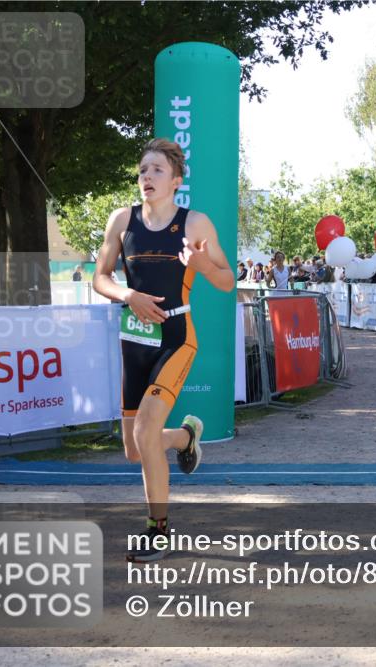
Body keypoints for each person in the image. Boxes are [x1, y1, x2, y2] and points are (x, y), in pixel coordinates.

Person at [93, 138, 234, 562]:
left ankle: (158, 531)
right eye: (142, 170)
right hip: (134, 338)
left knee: (144, 432)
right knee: (136, 447)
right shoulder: (121, 220)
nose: (146, 177)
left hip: (176, 337)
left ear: (175, 180)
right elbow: (100, 278)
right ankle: (186, 436)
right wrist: (127, 294)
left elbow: (227, 280)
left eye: (156, 170)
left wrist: (200, 264)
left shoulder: (196, 224)